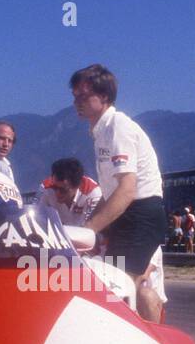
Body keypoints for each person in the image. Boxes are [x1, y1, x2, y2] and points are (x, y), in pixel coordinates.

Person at [70, 64, 167, 322]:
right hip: (129, 216)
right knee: (121, 289)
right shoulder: (100, 131)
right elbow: (109, 192)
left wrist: (88, 230)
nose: (76, 101)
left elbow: (126, 190)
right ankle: (151, 334)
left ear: (103, 96)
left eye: (83, 95)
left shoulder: (118, 128)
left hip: (141, 214)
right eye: (74, 95)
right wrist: (89, 227)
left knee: (117, 292)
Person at [39, 156, 101, 227]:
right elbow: (37, 219)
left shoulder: (92, 192)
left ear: (76, 186)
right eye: (55, 188)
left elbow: (92, 228)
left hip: (84, 235)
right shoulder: (46, 187)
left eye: (63, 190)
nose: (57, 193)